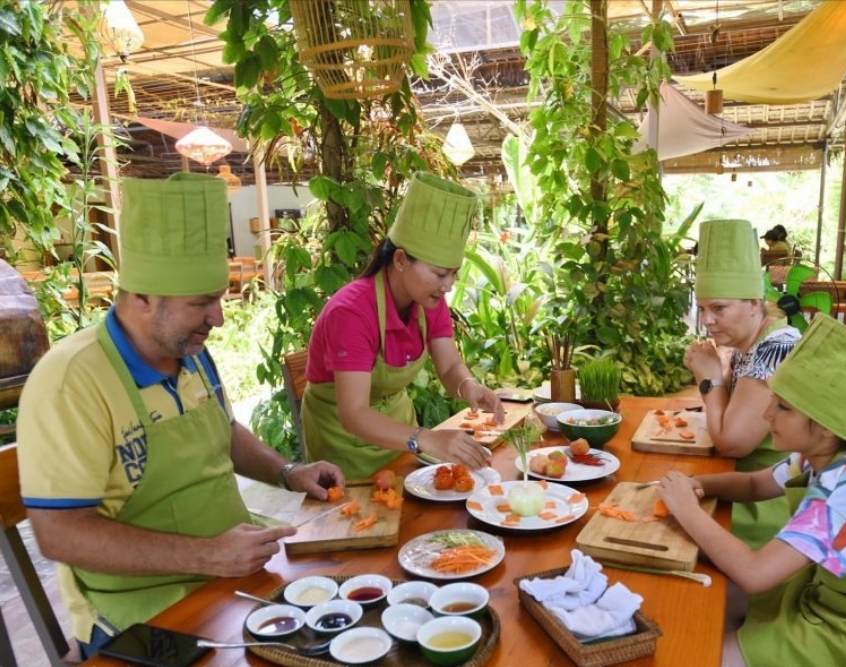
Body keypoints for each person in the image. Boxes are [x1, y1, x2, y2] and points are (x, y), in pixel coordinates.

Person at [17, 173, 344, 658]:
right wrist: (208, 555)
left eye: (219, 296)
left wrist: (288, 472)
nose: (219, 318)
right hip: (144, 611)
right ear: (143, 297)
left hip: (237, 578)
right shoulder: (71, 381)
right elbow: (59, 534)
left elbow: (223, 430)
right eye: (201, 303)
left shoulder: (189, 351)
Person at [658, 314, 846, 667]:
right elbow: (753, 484)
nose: (766, 414)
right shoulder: (825, 456)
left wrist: (687, 510)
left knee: (701, 653)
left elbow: (754, 574)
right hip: (837, 599)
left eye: (782, 407)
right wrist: (698, 484)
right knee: (704, 601)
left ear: (825, 428)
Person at [301, 172, 506, 480]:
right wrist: (427, 438)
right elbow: (354, 413)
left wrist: (470, 387)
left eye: (454, 274)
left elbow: (449, 367)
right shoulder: (351, 312)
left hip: (402, 446)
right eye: (439, 274)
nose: (448, 285)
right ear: (400, 260)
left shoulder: (428, 300)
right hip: (343, 450)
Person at [685, 219, 801, 549]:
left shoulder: (775, 346)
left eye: (719, 308)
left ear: (754, 302)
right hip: (743, 482)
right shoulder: (750, 341)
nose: (707, 321)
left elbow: (732, 443)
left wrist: (709, 379)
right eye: (703, 309)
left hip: (769, 505)